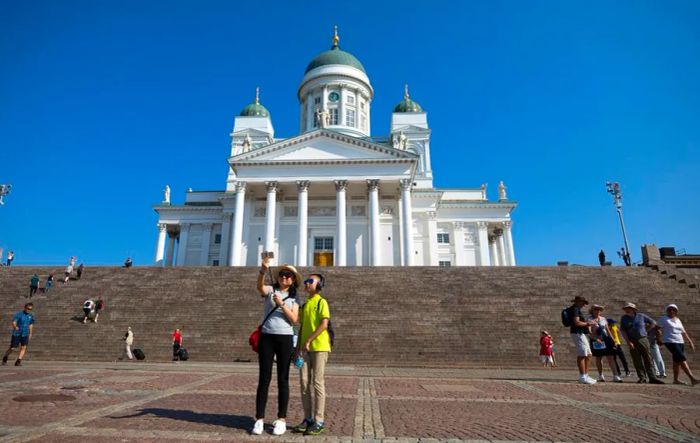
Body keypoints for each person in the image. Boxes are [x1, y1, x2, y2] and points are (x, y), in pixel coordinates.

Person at [251, 258, 300, 436]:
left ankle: (281, 419)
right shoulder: (271, 290)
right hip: (267, 337)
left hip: (285, 338)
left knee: (283, 379)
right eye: (282, 275)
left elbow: (295, 320)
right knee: (264, 378)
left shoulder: (295, 297)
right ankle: (259, 419)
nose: (285, 278)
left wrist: (281, 304)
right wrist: (263, 271)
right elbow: (259, 287)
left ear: (293, 279)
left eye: (288, 276)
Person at [293, 273, 332, 436]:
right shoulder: (306, 304)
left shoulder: (322, 302)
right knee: (303, 382)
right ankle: (308, 418)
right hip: (305, 348)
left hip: (320, 347)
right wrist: (298, 347)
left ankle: (319, 420)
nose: (306, 283)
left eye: (310, 281)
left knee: (317, 382)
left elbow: (324, 324)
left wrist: (309, 340)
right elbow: (301, 325)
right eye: (306, 281)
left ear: (319, 285)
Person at [620, 302, 664, 384]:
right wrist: (628, 342)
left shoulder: (641, 316)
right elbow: (623, 330)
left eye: (629, 308)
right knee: (636, 360)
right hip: (632, 340)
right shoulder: (624, 318)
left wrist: (646, 331)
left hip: (643, 339)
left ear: (633, 309)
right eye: (626, 309)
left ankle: (652, 377)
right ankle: (642, 377)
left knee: (648, 358)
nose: (627, 310)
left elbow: (653, 322)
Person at [657, 304, 699, 386]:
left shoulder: (678, 320)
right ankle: (692, 378)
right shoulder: (664, 319)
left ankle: (675, 380)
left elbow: (683, 332)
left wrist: (690, 342)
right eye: (669, 310)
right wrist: (658, 338)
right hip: (669, 341)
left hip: (680, 341)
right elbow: (657, 328)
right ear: (667, 311)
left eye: (673, 310)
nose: (671, 311)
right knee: (681, 358)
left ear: (676, 311)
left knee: (676, 361)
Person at [587, 305, 622, 382]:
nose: (598, 311)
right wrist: (595, 338)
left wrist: (613, 340)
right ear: (592, 310)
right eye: (596, 309)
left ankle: (615, 375)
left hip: (606, 339)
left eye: (599, 310)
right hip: (596, 339)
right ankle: (600, 375)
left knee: (611, 357)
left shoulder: (603, 319)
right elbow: (588, 332)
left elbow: (608, 330)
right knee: (599, 357)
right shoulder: (589, 319)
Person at [567, 296, 597, 384]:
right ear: (578, 302)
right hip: (577, 333)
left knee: (589, 354)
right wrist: (588, 323)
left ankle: (586, 375)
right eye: (583, 303)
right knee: (582, 354)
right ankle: (582, 376)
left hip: (580, 333)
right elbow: (576, 322)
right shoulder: (575, 309)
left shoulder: (576, 309)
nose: (584, 305)